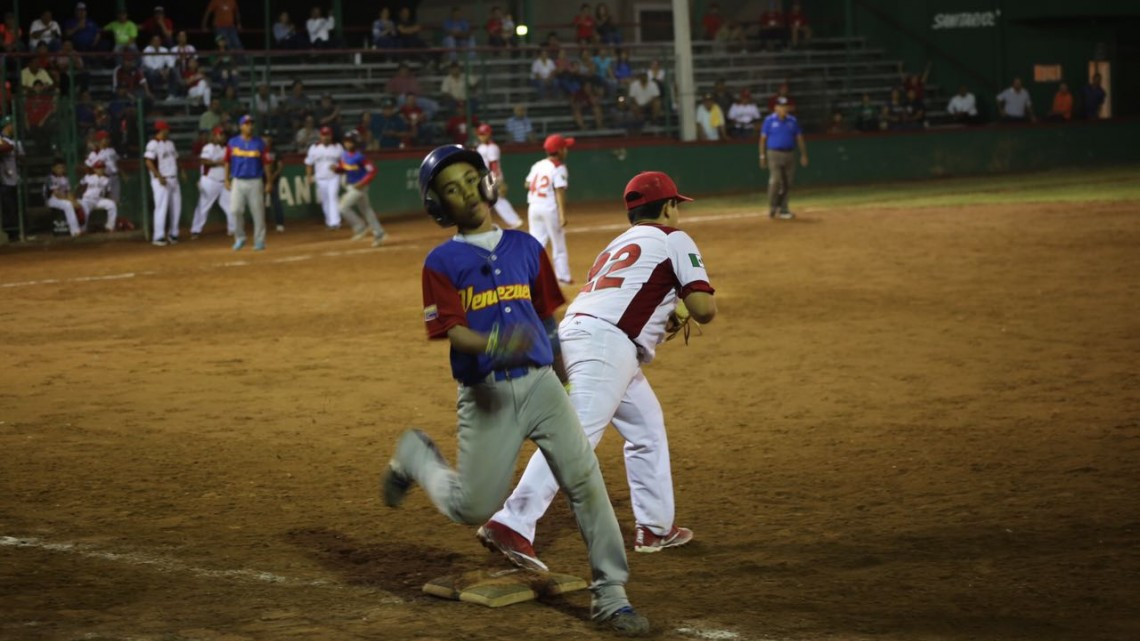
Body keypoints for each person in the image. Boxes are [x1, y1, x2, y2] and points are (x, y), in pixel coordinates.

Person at [381, 144, 650, 636]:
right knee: (473, 507)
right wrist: (499, 342)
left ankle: (611, 593)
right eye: (450, 190)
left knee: (585, 480)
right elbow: (454, 334)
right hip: (487, 395)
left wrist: (566, 379)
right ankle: (418, 455)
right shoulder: (441, 262)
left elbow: (548, 318)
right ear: (440, 206)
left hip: (543, 387)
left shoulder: (528, 248)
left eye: (469, 180)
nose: (465, 193)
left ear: (487, 181)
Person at [483, 170, 715, 567]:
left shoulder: (615, 245)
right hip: (606, 346)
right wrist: (680, 306)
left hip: (585, 337)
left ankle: (656, 527)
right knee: (575, 436)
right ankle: (513, 522)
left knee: (646, 428)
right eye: (677, 204)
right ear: (668, 207)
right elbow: (705, 310)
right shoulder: (674, 238)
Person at [526, 134, 574, 284]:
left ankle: (530, 276)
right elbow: (559, 190)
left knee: (536, 244)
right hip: (549, 208)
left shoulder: (538, 164)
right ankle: (563, 277)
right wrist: (562, 214)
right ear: (559, 150)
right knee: (558, 243)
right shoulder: (559, 167)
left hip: (533, 207)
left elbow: (527, 184)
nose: (566, 150)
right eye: (564, 147)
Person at [225, 115, 270, 251]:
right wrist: (226, 178)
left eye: (251, 124)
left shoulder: (260, 143)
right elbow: (227, 161)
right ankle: (240, 238)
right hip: (238, 180)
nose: (249, 126)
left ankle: (259, 241)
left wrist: (269, 181)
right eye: (246, 124)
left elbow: (266, 163)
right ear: (241, 126)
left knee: (258, 212)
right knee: (235, 210)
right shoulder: (232, 142)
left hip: (255, 180)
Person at [759, 96, 808, 220]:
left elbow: (799, 138)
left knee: (787, 183)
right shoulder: (769, 120)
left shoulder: (792, 121)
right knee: (775, 180)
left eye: (785, 106)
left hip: (789, 153)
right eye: (781, 106)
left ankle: (784, 209)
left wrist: (803, 154)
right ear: (775, 108)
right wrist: (762, 155)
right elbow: (763, 139)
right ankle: (772, 206)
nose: (783, 109)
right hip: (774, 153)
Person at [335, 130, 385, 246]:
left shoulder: (360, 157)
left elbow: (372, 171)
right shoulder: (344, 155)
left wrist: (362, 182)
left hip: (359, 188)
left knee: (343, 207)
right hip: (351, 186)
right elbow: (343, 168)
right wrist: (337, 169)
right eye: (346, 141)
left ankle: (360, 227)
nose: (347, 144)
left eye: (350, 142)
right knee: (366, 210)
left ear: (355, 143)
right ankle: (378, 232)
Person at [474, 123, 522, 229]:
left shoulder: (492, 147)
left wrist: (497, 181)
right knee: (489, 200)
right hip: (483, 176)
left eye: (484, 134)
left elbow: (494, 165)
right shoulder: (481, 147)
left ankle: (514, 220)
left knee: (496, 200)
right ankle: (513, 220)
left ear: (489, 134)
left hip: (491, 176)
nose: (481, 136)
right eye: (480, 134)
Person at [190, 126, 233, 239]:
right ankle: (195, 230)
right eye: (220, 134)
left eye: (223, 135)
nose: (223, 136)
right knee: (204, 206)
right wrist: (218, 163)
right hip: (210, 181)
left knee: (231, 205)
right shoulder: (209, 147)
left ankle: (233, 229)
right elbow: (203, 161)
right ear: (214, 136)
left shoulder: (226, 148)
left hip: (224, 181)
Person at [145, 120, 182, 245]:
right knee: (161, 207)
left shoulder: (170, 143)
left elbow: (175, 159)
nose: (168, 131)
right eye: (166, 129)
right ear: (161, 130)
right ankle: (158, 236)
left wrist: (181, 172)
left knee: (176, 207)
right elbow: (148, 161)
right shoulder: (152, 144)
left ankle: (173, 234)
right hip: (161, 180)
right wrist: (158, 176)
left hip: (173, 178)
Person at [305, 126, 344, 230]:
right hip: (320, 178)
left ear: (331, 136)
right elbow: (309, 163)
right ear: (320, 136)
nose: (325, 137)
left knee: (333, 197)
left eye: (327, 135)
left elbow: (344, 162)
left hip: (334, 177)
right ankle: (329, 221)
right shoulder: (314, 148)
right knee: (325, 200)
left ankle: (335, 222)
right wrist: (309, 176)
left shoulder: (338, 147)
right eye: (323, 135)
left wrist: (338, 168)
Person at [44, 158, 82, 237]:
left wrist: (74, 201)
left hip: (62, 198)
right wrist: (71, 201)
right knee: (68, 205)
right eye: (58, 167)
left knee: (80, 202)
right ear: (53, 168)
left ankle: (83, 228)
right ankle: (75, 231)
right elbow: (57, 194)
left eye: (62, 167)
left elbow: (68, 192)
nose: (61, 169)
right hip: (51, 199)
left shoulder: (65, 178)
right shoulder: (50, 178)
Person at [78, 161, 118, 233]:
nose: (100, 170)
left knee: (112, 205)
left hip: (99, 201)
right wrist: (79, 197)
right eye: (98, 168)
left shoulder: (107, 179)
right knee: (85, 211)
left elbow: (108, 192)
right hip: (87, 200)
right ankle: (82, 229)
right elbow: (80, 186)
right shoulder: (88, 177)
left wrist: (110, 199)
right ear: (94, 169)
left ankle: (110, 227)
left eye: (102, 168)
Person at [0, 116, 23, 242]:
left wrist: (18, 155)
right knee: (8, 208)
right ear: (7, 125)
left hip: (16, 178)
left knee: (16, 207)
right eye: (11, 124)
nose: (13, 127)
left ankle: (17, 232)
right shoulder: (0, 139)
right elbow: (4, 147)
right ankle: (10, 233)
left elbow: (23, 159)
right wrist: (10, 147)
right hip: (4, 180)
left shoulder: (16, 141)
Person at [85, 131, 121, 204]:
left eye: (108, 138)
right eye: (105, 138)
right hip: (105, 179)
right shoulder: (94, 153)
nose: (107, 140)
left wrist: (123, 174)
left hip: (115, 177)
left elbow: (117, 164)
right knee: (106, 200)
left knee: (116, 200)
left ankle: (113, 215)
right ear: (99, 140)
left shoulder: (112, 150)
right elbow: (88, 167)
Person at [264, 135, 285, 232]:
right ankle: (261, 224)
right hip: (261, 179)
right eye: (264, 139)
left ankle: (280, 223)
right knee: (259, 203)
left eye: (268, 139)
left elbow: (280, 166)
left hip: (274, 179)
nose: (266, 141)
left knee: (276, 201)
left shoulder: (275, 151)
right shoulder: (259, 150)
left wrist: (272, 178)